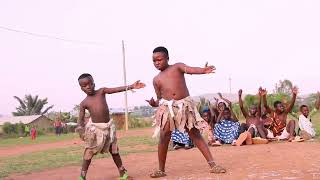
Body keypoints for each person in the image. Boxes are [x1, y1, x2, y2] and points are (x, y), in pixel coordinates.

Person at [147, 46, 226, 178]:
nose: (157, 63)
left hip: (185, 106)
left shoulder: (177, 67)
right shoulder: (156, 79)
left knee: (194, 134)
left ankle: (213, 165)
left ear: (167, 58)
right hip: (168, 108)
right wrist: (154, 103)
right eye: (154, 61)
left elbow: (190, 69)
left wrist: (203, 70)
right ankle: (161, 169)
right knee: (164, 136)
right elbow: (159, 98)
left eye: (159, 59)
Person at [76, 73, 145, 180]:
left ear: (94, 83)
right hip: (95, 130)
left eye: (90, 84)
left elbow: (115, 90)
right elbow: (80, 118)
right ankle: (82, 176)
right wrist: (80, 128)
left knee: (114, 150)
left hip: (108, 128)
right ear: (81, 88)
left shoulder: (101, 92)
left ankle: (123, 173)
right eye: (84, 86)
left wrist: (130, 86)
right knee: (89, 152)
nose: (88, 87)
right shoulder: (84, 103)